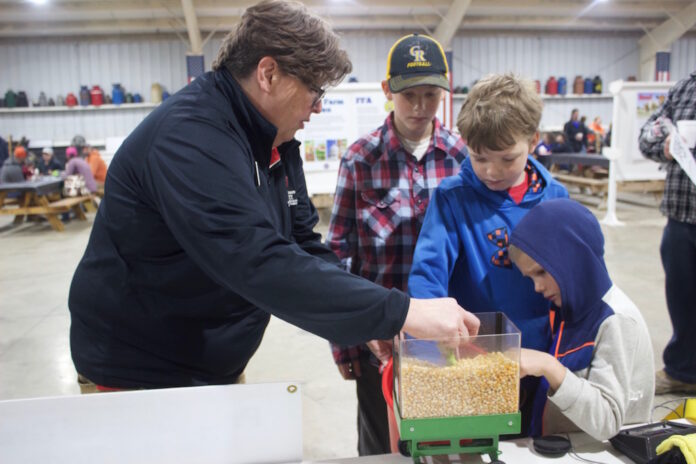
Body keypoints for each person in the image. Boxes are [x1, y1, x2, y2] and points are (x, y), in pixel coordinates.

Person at [68, 0, 478, 394]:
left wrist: (377, 320)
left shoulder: (275, 141)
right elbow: (257, 261)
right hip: (143, 372)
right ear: (268, 74)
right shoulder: (191, 139)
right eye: (315, 91)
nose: (318, 108)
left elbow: (303, 245)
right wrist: (403, 312)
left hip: (208, 363)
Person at [326, 33, 468, 456]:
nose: (421, 107)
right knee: (381, 445)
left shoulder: (461, 156)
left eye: (431, 94)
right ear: (388, 91)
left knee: (446, 442)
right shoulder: (360, 159)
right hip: (380, 339)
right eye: (409, 96)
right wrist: (345, 341)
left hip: (446, 336)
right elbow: (337, 253)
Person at [407, 73, 568, 433]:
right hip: (472, 360)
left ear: (534, 141)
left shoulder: (556, 199)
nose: (491, 172)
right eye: (479, 159)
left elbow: (576, 284)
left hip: (541, 357)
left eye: (507, 158)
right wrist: (441, 345)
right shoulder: (453, 198)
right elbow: (427, 276)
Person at [509, 198, 654, 440]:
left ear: (574, 259)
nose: (537, 287)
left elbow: (607, 420)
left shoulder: (616, 321)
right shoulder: (567, 307)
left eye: (541, 272)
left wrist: (549, 366)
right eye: (530, 278)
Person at [638, 71, 696, 395]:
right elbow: (648, 134)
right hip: (681, 216)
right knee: (683, 299)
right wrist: (667, 146)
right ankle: (682, 371)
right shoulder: (686, 88)